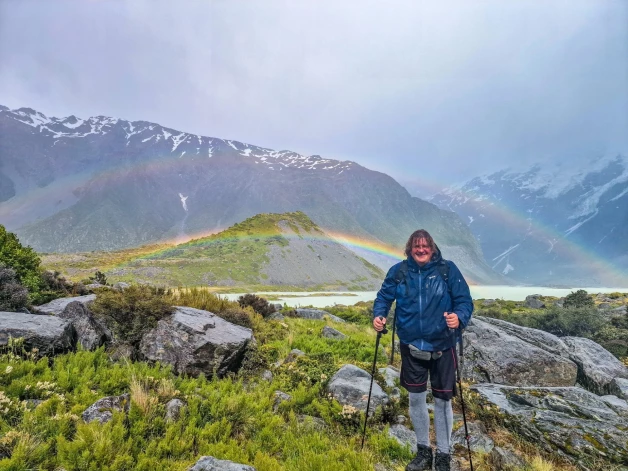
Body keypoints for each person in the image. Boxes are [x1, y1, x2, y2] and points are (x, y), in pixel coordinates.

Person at [373, 229, 473, 471]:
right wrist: (378, 315)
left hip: (443, 345)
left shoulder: (447, 270)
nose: (420, 250)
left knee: (442, 401)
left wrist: (458, 317)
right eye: (416, 246)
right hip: (412, 347)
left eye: (425, 246)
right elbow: (384, 297)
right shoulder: (399, 272)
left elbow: (465, 301)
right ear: (410, 248)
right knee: (416, 399)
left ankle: (444, 455)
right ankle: (423, 452)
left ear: (432, 248)